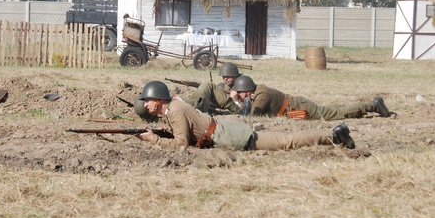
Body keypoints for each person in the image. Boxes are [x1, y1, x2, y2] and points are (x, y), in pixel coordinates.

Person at [136, 81, 355, 151]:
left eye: (148, 100)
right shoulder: (172, 109)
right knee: (283, 139)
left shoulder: (174, 109)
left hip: (228, 134)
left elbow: (181, 144)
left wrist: (154, 140)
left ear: (159, 100)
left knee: (284, 141)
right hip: (223, 129)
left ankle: (334, 136)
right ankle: (333, 135)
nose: (145, 104)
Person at [230, 75, 392, 121]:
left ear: (247, 90)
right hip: (297, 105)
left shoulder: (261, 95)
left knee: (337, 113)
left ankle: (372, 106)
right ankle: (367, 106)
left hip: (299, 107)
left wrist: (237, 101)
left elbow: (251, 116)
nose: (240, 95)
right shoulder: (258, 91)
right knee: (334, 110)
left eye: (240, 93)